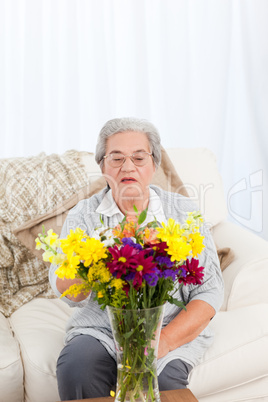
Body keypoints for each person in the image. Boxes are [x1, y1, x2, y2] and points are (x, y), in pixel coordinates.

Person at [49, 117, 224, 400]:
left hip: (168, 329)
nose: (127, 167)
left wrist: (163, 341)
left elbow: (210, 289)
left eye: (138, 158)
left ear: (154, 165)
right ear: (103, 167)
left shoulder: (183, 211)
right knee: (76, 368)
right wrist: (98, 255)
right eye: (116, 158)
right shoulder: (84, 215)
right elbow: (69, 294)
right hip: (102, 330)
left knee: (163, 381)